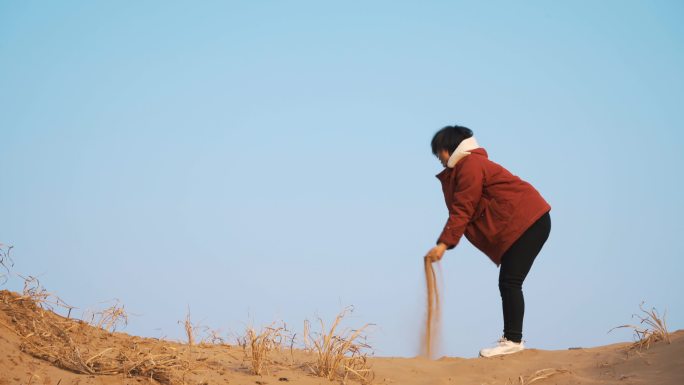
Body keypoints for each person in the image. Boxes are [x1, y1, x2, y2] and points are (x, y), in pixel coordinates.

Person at [424, 125, 551, 357]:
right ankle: (512, 339)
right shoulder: (465, 167)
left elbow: (463, 207)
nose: (439, 159)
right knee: (510, 281)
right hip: (524, 223)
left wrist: (443, 244)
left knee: (510, 281)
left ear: (449, 149)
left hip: (528, 221)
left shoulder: (469, 166)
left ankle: (513, 341)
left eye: (439, 152)